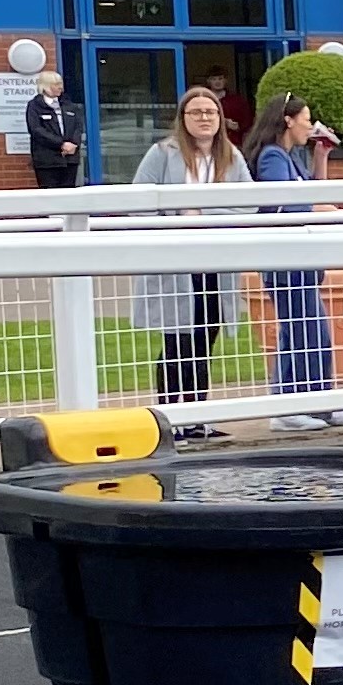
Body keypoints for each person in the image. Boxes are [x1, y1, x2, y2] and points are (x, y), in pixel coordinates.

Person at [131, 85, 237, 438]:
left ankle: (197, 418)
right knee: (177, 341)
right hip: (176, 265)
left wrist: (202, 213)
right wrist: (177, 217)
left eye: (211, 112)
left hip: (215, 264)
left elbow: (249, 204)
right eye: (197, 112)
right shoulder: (162, 153)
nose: (205, 118)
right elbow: (138, 202)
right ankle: (170, 420)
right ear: (183, 118)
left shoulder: (232, 157)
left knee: (206, 340)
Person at [241, 95, 337, 433]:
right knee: (300, 331)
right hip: (285, 259)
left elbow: (310, 193)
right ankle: (288, 405)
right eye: (306, 119)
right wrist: (321, 210)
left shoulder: (289, 157)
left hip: (301, 258)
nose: (310, 126)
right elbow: (282, 203)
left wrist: (321, 156)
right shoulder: (271, 157)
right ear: (288, 120)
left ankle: (318, 401)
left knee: (313, 332)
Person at [24, 68, 84, 190]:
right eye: (56, 85)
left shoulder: (69, 105)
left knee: (68, 194)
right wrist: (61, 144)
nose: (60, 88)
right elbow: (36, 130)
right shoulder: (35, 106)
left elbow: (78, 127)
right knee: (50, 195)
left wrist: (73, 144)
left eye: (60, 84)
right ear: (45, 86)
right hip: (47, 161)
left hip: (69, 159)